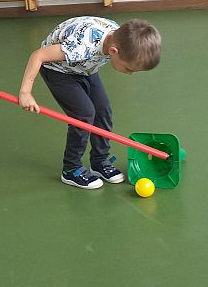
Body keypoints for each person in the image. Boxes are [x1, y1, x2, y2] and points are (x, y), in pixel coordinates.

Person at [18, 16, 161, 189]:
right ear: (113, 51)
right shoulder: (82, 46)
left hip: (85, 67)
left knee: (103, 110)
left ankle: (99, 161)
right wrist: (25, 92)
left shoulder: (119, 35)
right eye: (129, 69)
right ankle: (71, 169)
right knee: (84, 115)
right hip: (58, 69)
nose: (130, 74)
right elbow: (38, 55)